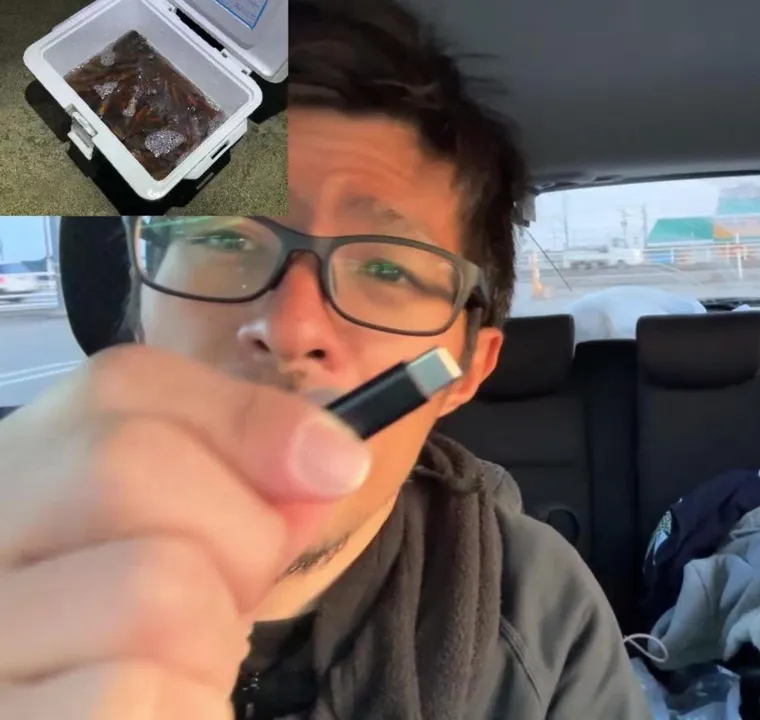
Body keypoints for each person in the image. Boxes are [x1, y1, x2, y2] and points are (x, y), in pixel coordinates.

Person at [0, 1, 650, 718]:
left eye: (388, 269)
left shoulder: (541, 618)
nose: (291, 325)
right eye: (223, 239)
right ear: (140, 306)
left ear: (465, 370)